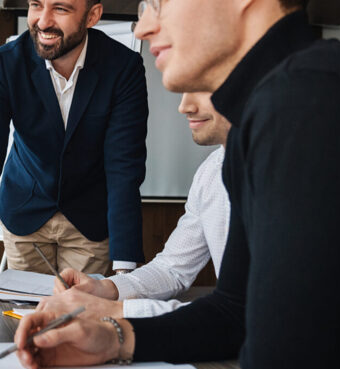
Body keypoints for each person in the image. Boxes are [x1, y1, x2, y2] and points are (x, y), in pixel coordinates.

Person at [14, 0, 340, 369]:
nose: (143, 25)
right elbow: (233, 311)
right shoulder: (267, 117)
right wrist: (113, 336)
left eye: (162, 1)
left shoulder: (312, 93)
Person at [0, 0, 148, 276]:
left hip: (90, 221)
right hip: (25, 211)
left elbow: (124, 167)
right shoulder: (4, 64)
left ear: (92, 15)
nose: (43, 21)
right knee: (21, 315)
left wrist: (125, 268)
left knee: (79, 314)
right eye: (36, 4)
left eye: (60, 8)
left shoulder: (123, 67)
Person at [41, 92, 230, 319]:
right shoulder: (211, 172)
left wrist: (116, 311)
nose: (184, 106)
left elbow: (244, 312)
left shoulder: (280, 179)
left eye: (203, 87)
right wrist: (106, 289)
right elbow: (172, 269)